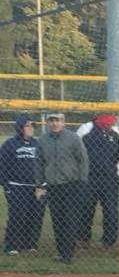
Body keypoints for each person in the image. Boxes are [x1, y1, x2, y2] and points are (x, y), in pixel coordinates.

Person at [35, 112, 88, 263]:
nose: (54, 124)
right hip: (53, 186)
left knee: (70, 219)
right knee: (57, 220)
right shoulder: (43, 140)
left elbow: (83, 161)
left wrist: (83, 182)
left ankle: (68, 254)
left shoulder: (73, 138)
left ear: (63, 122)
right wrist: (39, 184)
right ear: (47, 123)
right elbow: (38, 163)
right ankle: (61, 252)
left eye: (57, 120)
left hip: (72, 185)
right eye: (51, 121)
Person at [77, 114, 119, 249]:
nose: (109, 126)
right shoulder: (86, 129)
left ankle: (109, 242)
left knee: (110, 210)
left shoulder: (116, 133)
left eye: (111, 123)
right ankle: (83, 239)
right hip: (89, 177)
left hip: (109, 178)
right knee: (86, 208)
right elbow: (76, 151)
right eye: (106, 124)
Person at [0, 114, 45, 255]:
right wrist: (7, 185)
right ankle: (12, 245)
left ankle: (30, 244)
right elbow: (2, 166)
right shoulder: (9, 144)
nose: (31, 129)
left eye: (32, 126)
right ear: (20, 127)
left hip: (36, 188)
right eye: (28, 126)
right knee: (18, 215)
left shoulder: (37, 144)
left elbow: (44, 165)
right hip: (16, 187)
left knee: (35, 215)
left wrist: (42, 185)